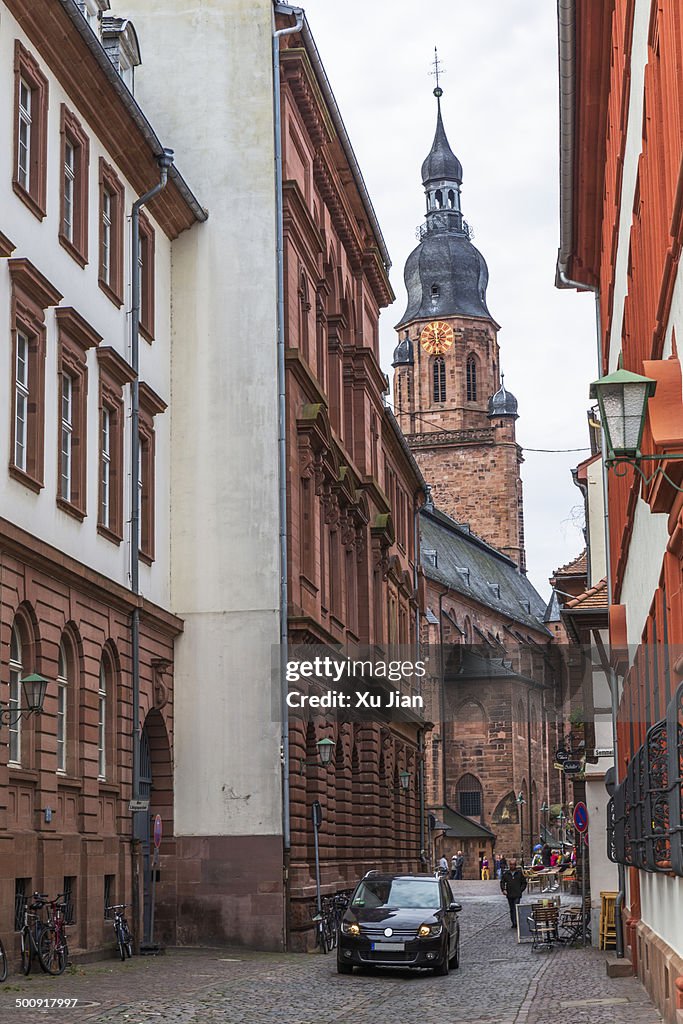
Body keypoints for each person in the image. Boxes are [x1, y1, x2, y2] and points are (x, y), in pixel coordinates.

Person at [500, 857, 527, 928]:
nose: (512, 866)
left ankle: (516, 922)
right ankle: (513, 922)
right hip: (510, 894)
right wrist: (503, 889)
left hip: (517, 894)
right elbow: (502, 882)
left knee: (516, 907)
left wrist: (520, 890)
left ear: (515, 865)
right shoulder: (506, 874)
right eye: (511, 865)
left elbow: (524, 883)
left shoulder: (519, 873)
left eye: (513, 864)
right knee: (512, 909)